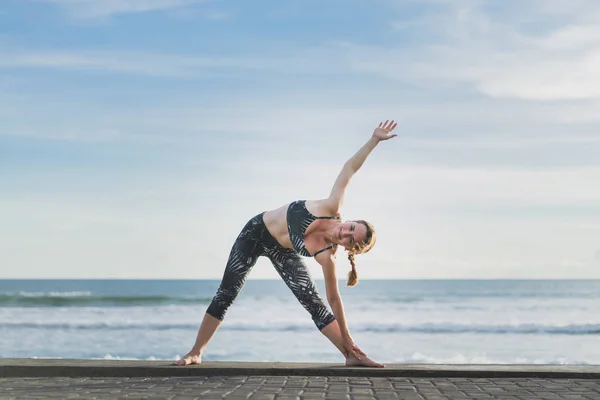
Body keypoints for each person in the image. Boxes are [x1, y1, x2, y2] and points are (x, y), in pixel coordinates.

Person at [173, 120, 398, 368]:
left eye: (350, 240)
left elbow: (333, 300)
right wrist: (374, 141)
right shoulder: (330, 206)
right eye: (352, 228)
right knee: (227, 292)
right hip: (255, 233)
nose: (346, 233)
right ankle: (195, 352)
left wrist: (347, 336)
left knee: (313, 302)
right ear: (352, 221)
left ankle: (351, 355)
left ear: (349, 248)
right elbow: (349, 169)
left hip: (281, 250)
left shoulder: (326, 255)